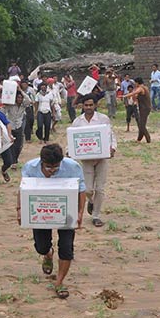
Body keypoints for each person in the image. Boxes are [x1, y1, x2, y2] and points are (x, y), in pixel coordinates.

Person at [18, 143, 86, 299]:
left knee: (67, 247)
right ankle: (48, 254)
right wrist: (19, 209)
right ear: (41, 161)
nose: (52, 170)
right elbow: (23, 189)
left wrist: (80, 212)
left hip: (66, 212)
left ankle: (60, 282)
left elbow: (81, 190)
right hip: (41, 212)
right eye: (49, 167)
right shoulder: (30, 167)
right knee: (41, 246)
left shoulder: (73, 167)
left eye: (56, 167)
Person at [71, 94, 117, 227]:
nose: (88, 107)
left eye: (91, 105)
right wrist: (70, 150)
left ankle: (96, 215)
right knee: (88, 189)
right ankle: (91, 201)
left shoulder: (103, 119)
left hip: (102, 158)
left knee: (100, 188)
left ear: (95, 105)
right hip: (86, 160)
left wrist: (112, 148)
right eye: (86, 105)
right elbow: (72, 138)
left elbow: (111, 135)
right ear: (83, 106)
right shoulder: (78, 121)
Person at [1, 90, 30, 164]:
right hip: (10, 127)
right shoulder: (10, 104)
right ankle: (13, 161)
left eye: (21, 98)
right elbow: (2, 111)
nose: (19, 99)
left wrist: (20, 89)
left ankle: (15, 159)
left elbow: (28, 100)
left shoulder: (24, 105)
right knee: (11, 144)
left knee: (18, 145)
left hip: (19, 126)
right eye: (18, 98)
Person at [125, 77, 151, 143]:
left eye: (135, 83)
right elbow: (136, 96)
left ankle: (148, 139)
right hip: (144, 108)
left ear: (137, 82)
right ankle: (139, 139)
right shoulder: (145, 87)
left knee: (141, 125)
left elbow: (135, 93)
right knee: (141, 123)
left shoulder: (141, 88)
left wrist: (124, 96)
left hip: (144, 108)